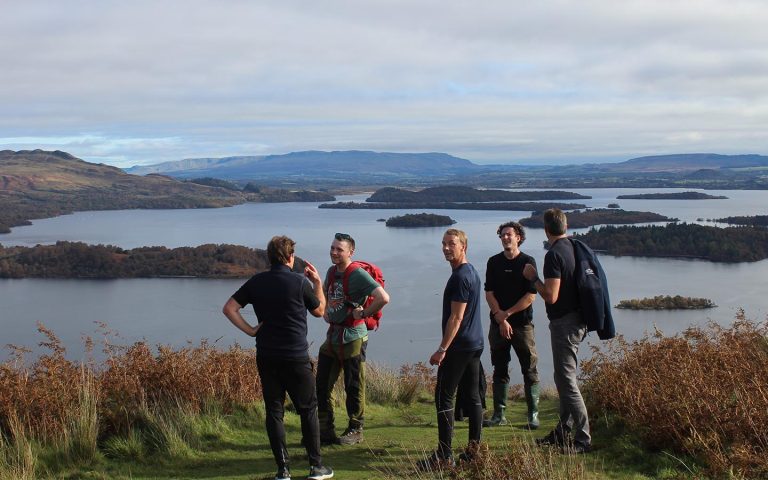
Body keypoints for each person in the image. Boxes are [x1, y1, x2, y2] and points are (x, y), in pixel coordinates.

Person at [222, 236, 334, 480]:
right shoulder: (299, 282)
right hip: (295, 357)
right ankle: (316, 467)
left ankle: (283, 470)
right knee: (308, 409)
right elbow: (319, 311)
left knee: (274, 411)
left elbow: (229, 308)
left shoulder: (256, 282)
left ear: (269, 257)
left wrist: (251, 330)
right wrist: (317, 283)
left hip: (267, 356)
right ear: (291, 257)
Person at [523, 209, 592, 453]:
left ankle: (583, 439)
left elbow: (551, 296)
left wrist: (533, 278)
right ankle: (563, 431)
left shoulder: (554, 255)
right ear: (565, 225)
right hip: (579, 321)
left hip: (565, 324)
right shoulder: (573, 247)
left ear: (546, 229)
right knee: (564, 378)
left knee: (566, 380)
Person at [419, 228, 484, 469]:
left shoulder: (460, 277)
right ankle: (474, 452)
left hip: (459, 346)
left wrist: (442, 349)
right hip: (475, 344)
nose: (446, 248)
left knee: (444, 396)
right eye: (444, 243)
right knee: (474, 396)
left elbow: (456, 318)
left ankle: (444, 456)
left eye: (452, 244)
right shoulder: (471, 272)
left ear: (463, 247)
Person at [316, 232, 390, 445]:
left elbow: (383, 297)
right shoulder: (331, 272)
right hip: (333, 337)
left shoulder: (356, 273)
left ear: (351, 252)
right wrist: (324, 310)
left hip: (354, 337)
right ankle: (325, 430)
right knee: (321, 385)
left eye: (339, 249)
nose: (334, 252)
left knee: (353, 386)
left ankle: (356, 430)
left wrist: (364, 314)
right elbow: (324, 295)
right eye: (332, 248)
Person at [483, 221, 540, 429]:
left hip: (522, 325)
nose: (505, 238)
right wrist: (500, 317)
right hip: (498, 325)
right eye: (502, 235)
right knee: (499, 366)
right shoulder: (493, 262)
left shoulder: (527, 261)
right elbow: (489, 292)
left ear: (519, 237)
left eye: (509, 235)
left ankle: (533, 415)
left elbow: (531, 296)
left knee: (530, 368)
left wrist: (507, 315)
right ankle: (499, 415)